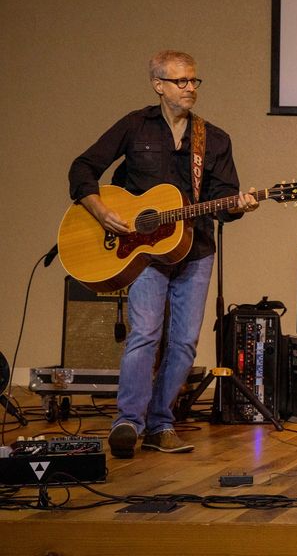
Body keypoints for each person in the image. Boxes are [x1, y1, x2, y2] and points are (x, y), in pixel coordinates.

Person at [69, 50, 258, 459]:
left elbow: (223, 202)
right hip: (143, 252)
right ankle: (128, 422)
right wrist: (101, 210)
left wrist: (240, 204)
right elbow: (83, 168)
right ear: (159, 85)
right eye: (181, 81)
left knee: (185, 343)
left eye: (194, 81)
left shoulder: (215, 139)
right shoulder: (134, 127)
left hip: (195, 249)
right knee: (145, 334)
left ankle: (160, 423)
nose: (190, 87)